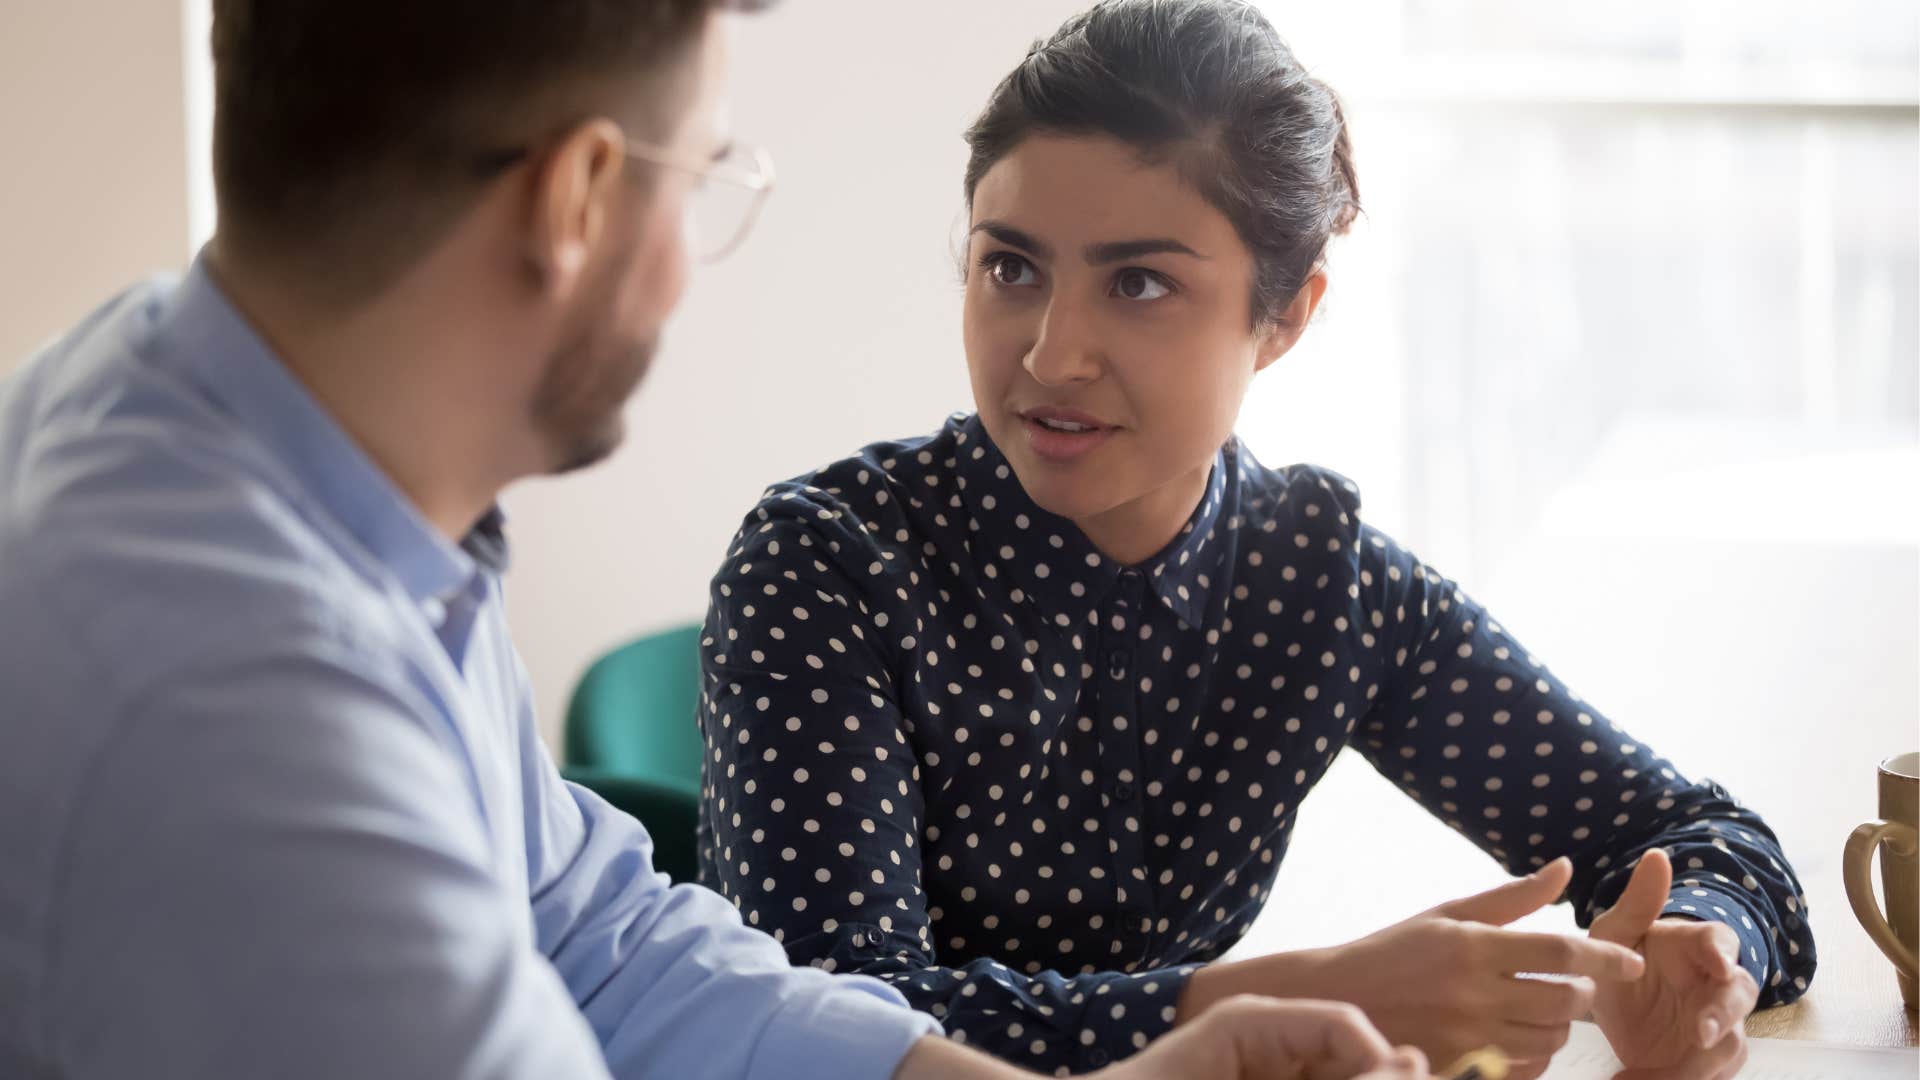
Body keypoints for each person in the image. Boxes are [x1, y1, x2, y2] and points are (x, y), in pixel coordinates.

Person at [0, 2, 1431, 1079]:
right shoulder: (238, 713)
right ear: (575, 200)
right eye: (703, 178)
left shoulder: (224, 434)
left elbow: (607, 942)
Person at [695, 1, 1811, 1077]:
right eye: (1011, 267)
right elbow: (823, 1026)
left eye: (1138, 283)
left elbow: (1699, 834)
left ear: (1285, 316)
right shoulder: (826, 566)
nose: (1050, 354)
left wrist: (1700, 959)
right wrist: (1306, 1001)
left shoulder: (1318, 585)